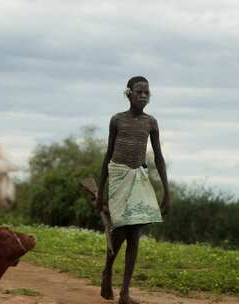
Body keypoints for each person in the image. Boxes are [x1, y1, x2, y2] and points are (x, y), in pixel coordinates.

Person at [96, 76, 170, 304]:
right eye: (139, 92)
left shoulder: (151, 123)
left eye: (147, 92)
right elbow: (108, 155)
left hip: (138, 177)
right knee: (118, 234)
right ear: (129, 94)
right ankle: (107, 271)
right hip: (118, 177)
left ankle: (125, 293)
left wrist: (167, 192)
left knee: (134, 235)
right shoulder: (117, 120)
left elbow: (158, 157)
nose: (144, 96)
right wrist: (101, 190)